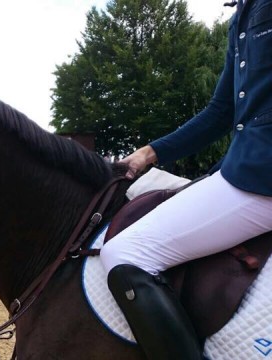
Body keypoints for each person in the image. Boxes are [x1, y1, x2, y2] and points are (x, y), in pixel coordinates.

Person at [99, 2, 272, 358]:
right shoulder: (242, 16)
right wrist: (149, 153)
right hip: (242, 167)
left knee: (125, 252)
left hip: (261, 175)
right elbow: (221, 112)